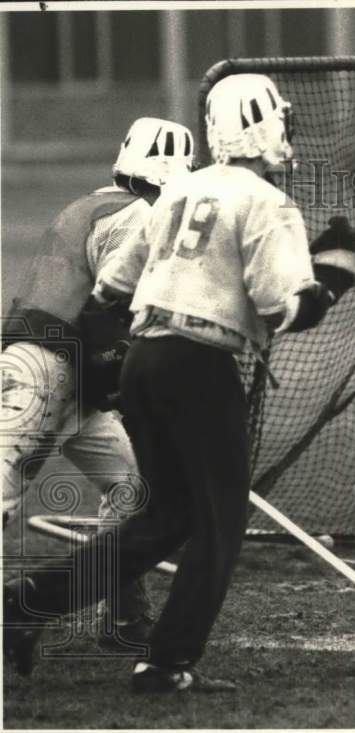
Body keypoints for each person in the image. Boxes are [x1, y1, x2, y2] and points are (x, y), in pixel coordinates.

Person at [3, 73, 355, 693]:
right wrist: (334, 275)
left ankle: (26, 604)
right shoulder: (266, 200)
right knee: (217, 521)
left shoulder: (180, 191)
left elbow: (112, 290)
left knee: (164, 517)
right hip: (200, 364)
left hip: (145, 365)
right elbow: (288, 312)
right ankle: (167, 661)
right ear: (264, 125)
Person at [1, 117, 193, 650]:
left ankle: (126, 620)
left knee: (133, 491)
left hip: (68, 377)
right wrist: (128, 375)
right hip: (45, 369)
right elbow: (105, 309)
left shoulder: (90, 203)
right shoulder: (137, 214)